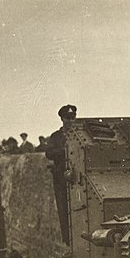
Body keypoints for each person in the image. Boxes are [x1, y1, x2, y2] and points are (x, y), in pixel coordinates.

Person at [46, 104, 76, 245]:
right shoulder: (56, 137)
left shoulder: (79, 135)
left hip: (76, 177)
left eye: (73, 117)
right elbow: (49, 153)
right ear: (62, 119)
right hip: (61, 179)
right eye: (67, 118)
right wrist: (65, 151)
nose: (70, 121)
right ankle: (67, 241)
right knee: (64, 210)